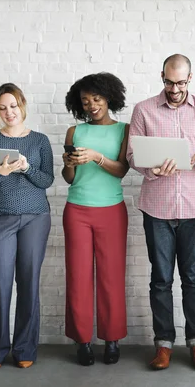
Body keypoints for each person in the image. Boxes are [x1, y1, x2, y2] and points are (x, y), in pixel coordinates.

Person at [127, 54, 195, 371]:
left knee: (193, 278)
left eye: (180, 83)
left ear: (190, 79)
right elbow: (131, 156)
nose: (174, 88)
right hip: (157, 209)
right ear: (161, 77)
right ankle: (163, 344)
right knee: (161, 279)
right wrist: (150, 168)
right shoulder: (143, 110)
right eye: (169, 82)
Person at [0, 83, 54, 369]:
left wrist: (26, 168)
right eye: (2, 107)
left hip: (35, 218)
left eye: (13, 105)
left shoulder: (40, 141)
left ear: (22, 105)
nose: (9, 111)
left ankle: (24, 348)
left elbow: (47, 180)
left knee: (29, 282)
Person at [61, 73, 130, 366]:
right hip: (76, 210)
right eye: (86, 101)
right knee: (78, 277)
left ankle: (111, 340)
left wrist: (97, 157)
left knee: (111, 277)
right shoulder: (73, 132)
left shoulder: (124, 130)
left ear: (109, 98)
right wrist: (68, 165)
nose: (91, 106)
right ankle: (82, 341)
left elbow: (122, 170)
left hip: (111, 211)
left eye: (97, 99)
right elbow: (69, 179)